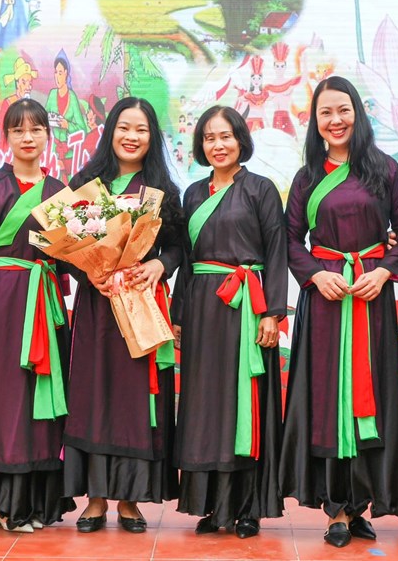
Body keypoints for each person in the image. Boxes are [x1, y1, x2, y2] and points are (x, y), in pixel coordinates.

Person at [280, 76, 398, 548]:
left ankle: (360, 505)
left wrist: (385, 272)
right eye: (325, 113)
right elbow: (290, 240)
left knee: (373, 393)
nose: (335, 120)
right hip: (326, 301)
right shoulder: (307, 177)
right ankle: (334, 508)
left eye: (343, 110)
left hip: (371, 298)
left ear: (358, 113)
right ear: (314, 121)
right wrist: (316, 276)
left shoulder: (385, 169)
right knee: (326, 398)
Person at [63, 97, 184, 534]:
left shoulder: (163, 190)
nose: (132, 137)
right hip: (97, 308)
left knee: (135, 401)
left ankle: (130, 498)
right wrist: (88, 272)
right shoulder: (85, 183)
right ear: (110, 131)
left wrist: (159, 266)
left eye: (142, 130)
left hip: (140, 305)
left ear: (152, 138)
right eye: (124, 127)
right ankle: (95, 498)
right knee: (94, 396)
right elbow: (64, 248)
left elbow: (178, 247)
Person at [171, 106, 287, 538]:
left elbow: (277, 251)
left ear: (241, 139)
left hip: (246, 310)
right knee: (205, 407)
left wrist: (273, 313)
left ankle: (247, 508)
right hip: (202, 309)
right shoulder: (192, 194)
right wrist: (179, 315)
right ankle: (212, 508)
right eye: (209, 138)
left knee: (245, 406)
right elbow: (186, 260)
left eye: (225, 136)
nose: (217, 145)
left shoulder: (261, 189)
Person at [0, 99, 75, 532]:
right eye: (18, 130)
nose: (28, 138)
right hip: (4, 305)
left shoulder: (60, 191)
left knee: (43, 403)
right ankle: (4, 504)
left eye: (36, 129)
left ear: (48, 134)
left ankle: (41, 504)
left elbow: (70, 259)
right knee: (7, 401)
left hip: (46, 306)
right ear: (6, 137)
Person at [45, 50, 88, 177]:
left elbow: (83, 129)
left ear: (66, 73)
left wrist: (67, 125)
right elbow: (42, 119)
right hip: (53, 151)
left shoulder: (72, 97)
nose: (57, 77)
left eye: (60, 73)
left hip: (69, 152)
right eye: (55, 73)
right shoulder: (52, 94)